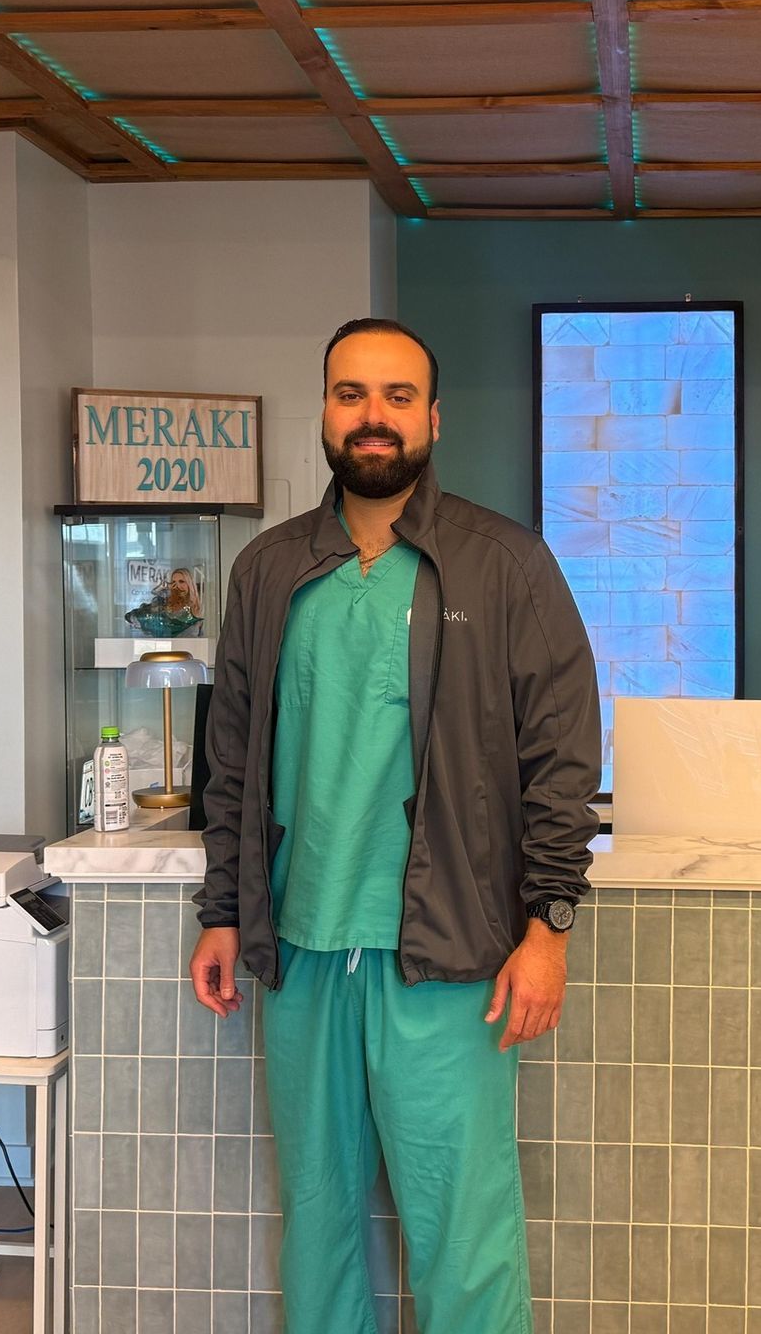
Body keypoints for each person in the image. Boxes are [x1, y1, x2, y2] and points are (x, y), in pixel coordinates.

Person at [188, 317, 601, 1333]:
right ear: (325, 413)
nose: (373, 416)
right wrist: (222, 910)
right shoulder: (270, 570)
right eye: (351, 395)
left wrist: (548, 926)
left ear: (433, 417)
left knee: (463, 1231)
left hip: (450, 958)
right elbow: (230, 756)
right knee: (318, 1224)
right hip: (301, 955)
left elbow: (565, 758)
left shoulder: (502, 564)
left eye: (397, 396)